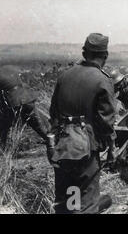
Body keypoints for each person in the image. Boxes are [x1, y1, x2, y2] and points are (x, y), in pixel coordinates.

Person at [49, 33, 116, 214]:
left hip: (62, 147)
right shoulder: (102, 79)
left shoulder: (64, 76)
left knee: (68, 201)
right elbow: (106, 121)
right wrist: (107, 146)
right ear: (105, 56)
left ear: (84, 53)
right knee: (87, 201)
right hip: (86, 148)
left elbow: (53, 113)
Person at [0, 67, 50, 149]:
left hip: (15, 103)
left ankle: (4, 149)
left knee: (3, 126)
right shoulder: (8, 69)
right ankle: (53, 142)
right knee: (38, 125)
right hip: (27, 98)